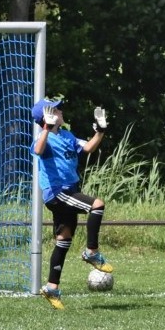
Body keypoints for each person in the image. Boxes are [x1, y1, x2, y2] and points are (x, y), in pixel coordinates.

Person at [32, 97, 112, 310]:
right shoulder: (44, 137)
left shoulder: (67, 136)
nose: (61, 112)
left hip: (71, 191)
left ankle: (51, 287)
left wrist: (100, 131)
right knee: (97, 204)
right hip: (58, 193)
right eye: (57, 110)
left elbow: (88, 149)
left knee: (63, 239)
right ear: (47, 116)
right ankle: (92, 252)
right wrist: (47, 129)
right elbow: (38, 151)